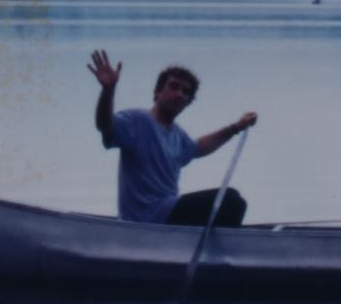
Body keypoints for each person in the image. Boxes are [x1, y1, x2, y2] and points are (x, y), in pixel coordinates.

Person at [88, 49, 256, 225]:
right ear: (157, 93)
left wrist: (236, 127)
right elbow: (104, 125)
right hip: (146, 218)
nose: (179, 94)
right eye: (174, 86)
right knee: (231, 200)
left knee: (236, 200)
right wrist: (108, 90)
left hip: (167, 215)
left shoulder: (177, 135)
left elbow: (199, 147)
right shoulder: (136, 121)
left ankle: (215, 246)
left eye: (186, 92)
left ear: (188, 103)